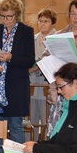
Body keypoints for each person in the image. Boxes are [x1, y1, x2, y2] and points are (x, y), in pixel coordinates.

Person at [0, 0, 35, 147]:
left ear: (17, 14)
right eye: (2, 16)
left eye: (9, 17)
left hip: (16, 86)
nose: (5, 20)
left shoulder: (26, 31)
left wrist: (11, 57)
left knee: (16, 127)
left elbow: (29, 60)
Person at [29, 9, 57, 140]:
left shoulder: (56, 39)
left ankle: (46, 145)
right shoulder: (32, 38)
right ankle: (30, 145)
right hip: (32, 83)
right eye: (40, 21)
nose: (42, 24)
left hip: (48, 84)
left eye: (46, 21)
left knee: (46, 119)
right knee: (31, 118)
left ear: (53, 23)